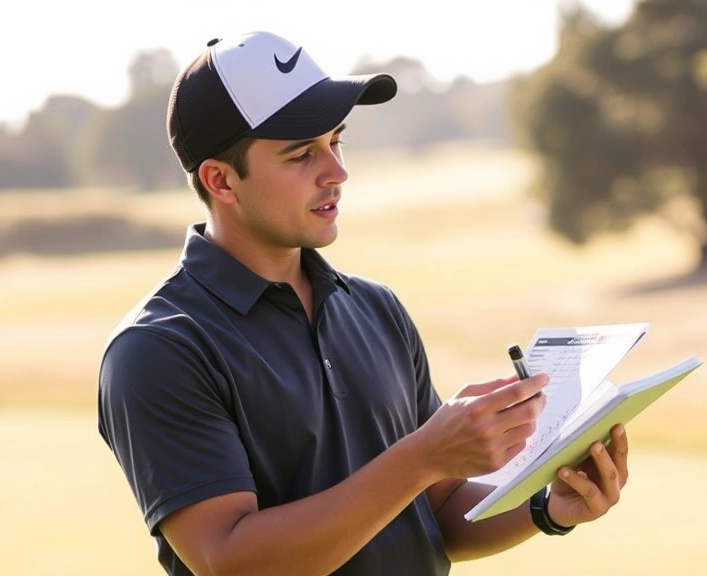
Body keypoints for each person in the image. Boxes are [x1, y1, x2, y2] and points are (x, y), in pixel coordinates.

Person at [97, 30, 631, 576]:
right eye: (302, 153)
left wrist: (545, 507)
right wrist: (422, 456)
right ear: (221, 181)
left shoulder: (376, 308)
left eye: (336, 141)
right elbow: (231, 560)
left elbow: (437, 510)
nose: (337, 172)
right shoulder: (158, 348)